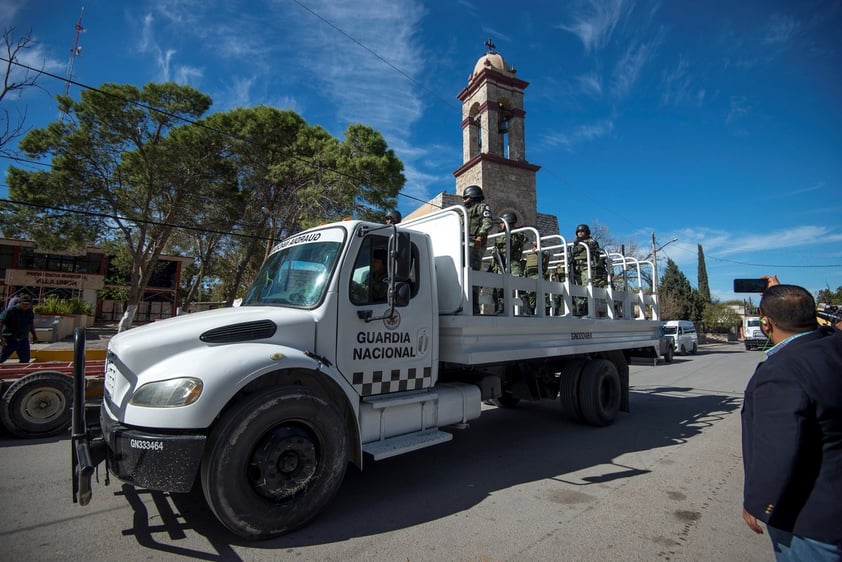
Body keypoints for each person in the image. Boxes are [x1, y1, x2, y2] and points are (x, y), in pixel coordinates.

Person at [741, 283, 842, 561]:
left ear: (765, 323)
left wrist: (759, 502)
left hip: (810, 521)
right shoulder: (833, 345)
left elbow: (780, 448)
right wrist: (782, 294)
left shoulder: (783, 371)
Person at [462, 185, 493, 313]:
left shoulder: (483, 207)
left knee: (472, 275)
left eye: (465, 197)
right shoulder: (463, 211)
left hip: (475, 244)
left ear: (472, 196)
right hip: (463, 244)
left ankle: (473, 308)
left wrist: (480, 236)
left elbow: (488, 223)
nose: (463, 200)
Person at [492, 213, 526, 313]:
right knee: (498, 288)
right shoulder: (499, 235)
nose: (500, 225)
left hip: (513, 262)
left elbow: (516, 244)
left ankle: (527, 309)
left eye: (502, 223)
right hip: (500, 263)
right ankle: (500, 308)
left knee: (520, 284)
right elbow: (496, 250)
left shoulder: (518, 234)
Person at [570, 224, 606, 315]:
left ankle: (587, 309)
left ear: (586, 232)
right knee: (577, 288)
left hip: (587, 267)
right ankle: (580, 309)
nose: (580, 233)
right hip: (577, 268)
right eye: (578, 232)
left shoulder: (590, 241)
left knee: (586, 287)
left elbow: (592, 246)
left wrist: (579, 246)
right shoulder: (575, 244)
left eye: (582, 232)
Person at [0, 294, 38, 364]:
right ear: (20, 303)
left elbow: (31, 324)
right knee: (2, 357)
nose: (26, 306)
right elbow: (1, 322)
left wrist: (34, 335)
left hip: (23, 338)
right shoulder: (11, 311)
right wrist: (1, 337)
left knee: (25, 359)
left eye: (28, 304)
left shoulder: (29, 312)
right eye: (24, 304)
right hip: (10, 338)